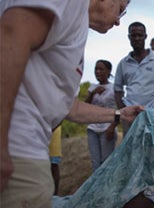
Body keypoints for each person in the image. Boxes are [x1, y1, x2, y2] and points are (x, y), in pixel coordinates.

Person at [0, 1, 144, 207]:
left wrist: (119, 115)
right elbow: (11, 35)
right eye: (120, 8)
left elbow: (70, 107)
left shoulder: (74, 27)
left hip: (29, 151)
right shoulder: (71, 4)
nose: (118, 21)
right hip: (18, 153)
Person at [114, 22, 154, 136]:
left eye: (140, 35)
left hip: (153, 115)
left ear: (145, 36)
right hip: (131, 117)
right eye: (133, 35)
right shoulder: (123, 63)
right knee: (132, 151)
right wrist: (123, 110)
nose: (137, 38)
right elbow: (117, 90)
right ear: (129, 37)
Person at [85, 60, 118, 172]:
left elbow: (119, 109)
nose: (98, 72)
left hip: (107, 128)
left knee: (106, 162)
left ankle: (107, 188)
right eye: (96, 69)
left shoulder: (114, 88)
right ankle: (96, 189)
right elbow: (85, 106)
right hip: (92, 128)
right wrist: (93, 92)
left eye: (101, 69)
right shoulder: (92, 87)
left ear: (108, 71)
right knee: (95, 162)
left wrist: (112, 127)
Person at [49, 126, 62, 195]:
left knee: (54, 164)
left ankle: (55, 194)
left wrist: (54, 126)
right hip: (40, 131)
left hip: (53, 130)